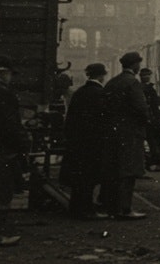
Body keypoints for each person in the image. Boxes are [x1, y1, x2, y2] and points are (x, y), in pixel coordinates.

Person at [101, 52, 150, 219]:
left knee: (114, 170)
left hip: (112, 133)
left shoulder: (112, 82)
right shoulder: (133, 83)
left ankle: (111, 207)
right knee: (128, 171)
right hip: (130, 134)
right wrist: (144, 123)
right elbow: (141, 109)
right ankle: (125, 209)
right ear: (135, 65)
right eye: (138, 64)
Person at [60, 63, 109, 219]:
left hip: (77, 142)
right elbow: (104, 121)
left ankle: (76, 208)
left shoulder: (79, 92)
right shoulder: (101, 93)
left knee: (79, 178)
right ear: (102, 76)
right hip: (93, 143)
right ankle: (87, 211)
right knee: (90, 178)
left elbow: (70, 119)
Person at [0, 56, 27, 246]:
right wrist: (22, 146)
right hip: (2, 150)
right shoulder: (4, 94)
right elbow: (10, 126)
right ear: (3, 73)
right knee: (2, 193)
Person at [139, 68, 160, 172]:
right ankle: (155, 163)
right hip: (149, 119)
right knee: (153, 142)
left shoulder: (150, 88)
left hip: (155, 119)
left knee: (158, 142)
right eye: (144, 75)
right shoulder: (142, 88)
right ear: (141, 77)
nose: (147, 77)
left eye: (148, 75)